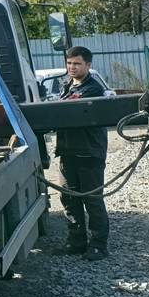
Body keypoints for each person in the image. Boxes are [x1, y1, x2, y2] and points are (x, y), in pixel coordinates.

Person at [55, 46, 109, 260]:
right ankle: (76, 242)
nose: (72, 67)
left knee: (92, 199)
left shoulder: (93, 89)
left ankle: (98, 245)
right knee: (69, 197)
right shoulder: (66, 86)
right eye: (69, 63)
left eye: (77, 63)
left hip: (88, 153)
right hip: (68, 152)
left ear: (88, 65)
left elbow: (68, 110)